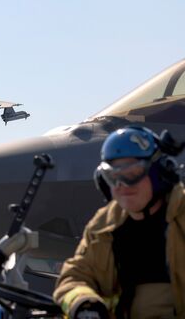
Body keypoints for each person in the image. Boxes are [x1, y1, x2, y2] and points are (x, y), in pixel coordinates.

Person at [54, 126, 185, 319]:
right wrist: (83, 302)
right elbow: (74, 276)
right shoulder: (103, 226)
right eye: (112, 176)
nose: (121, 185)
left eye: (132, 174)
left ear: (160, 172)